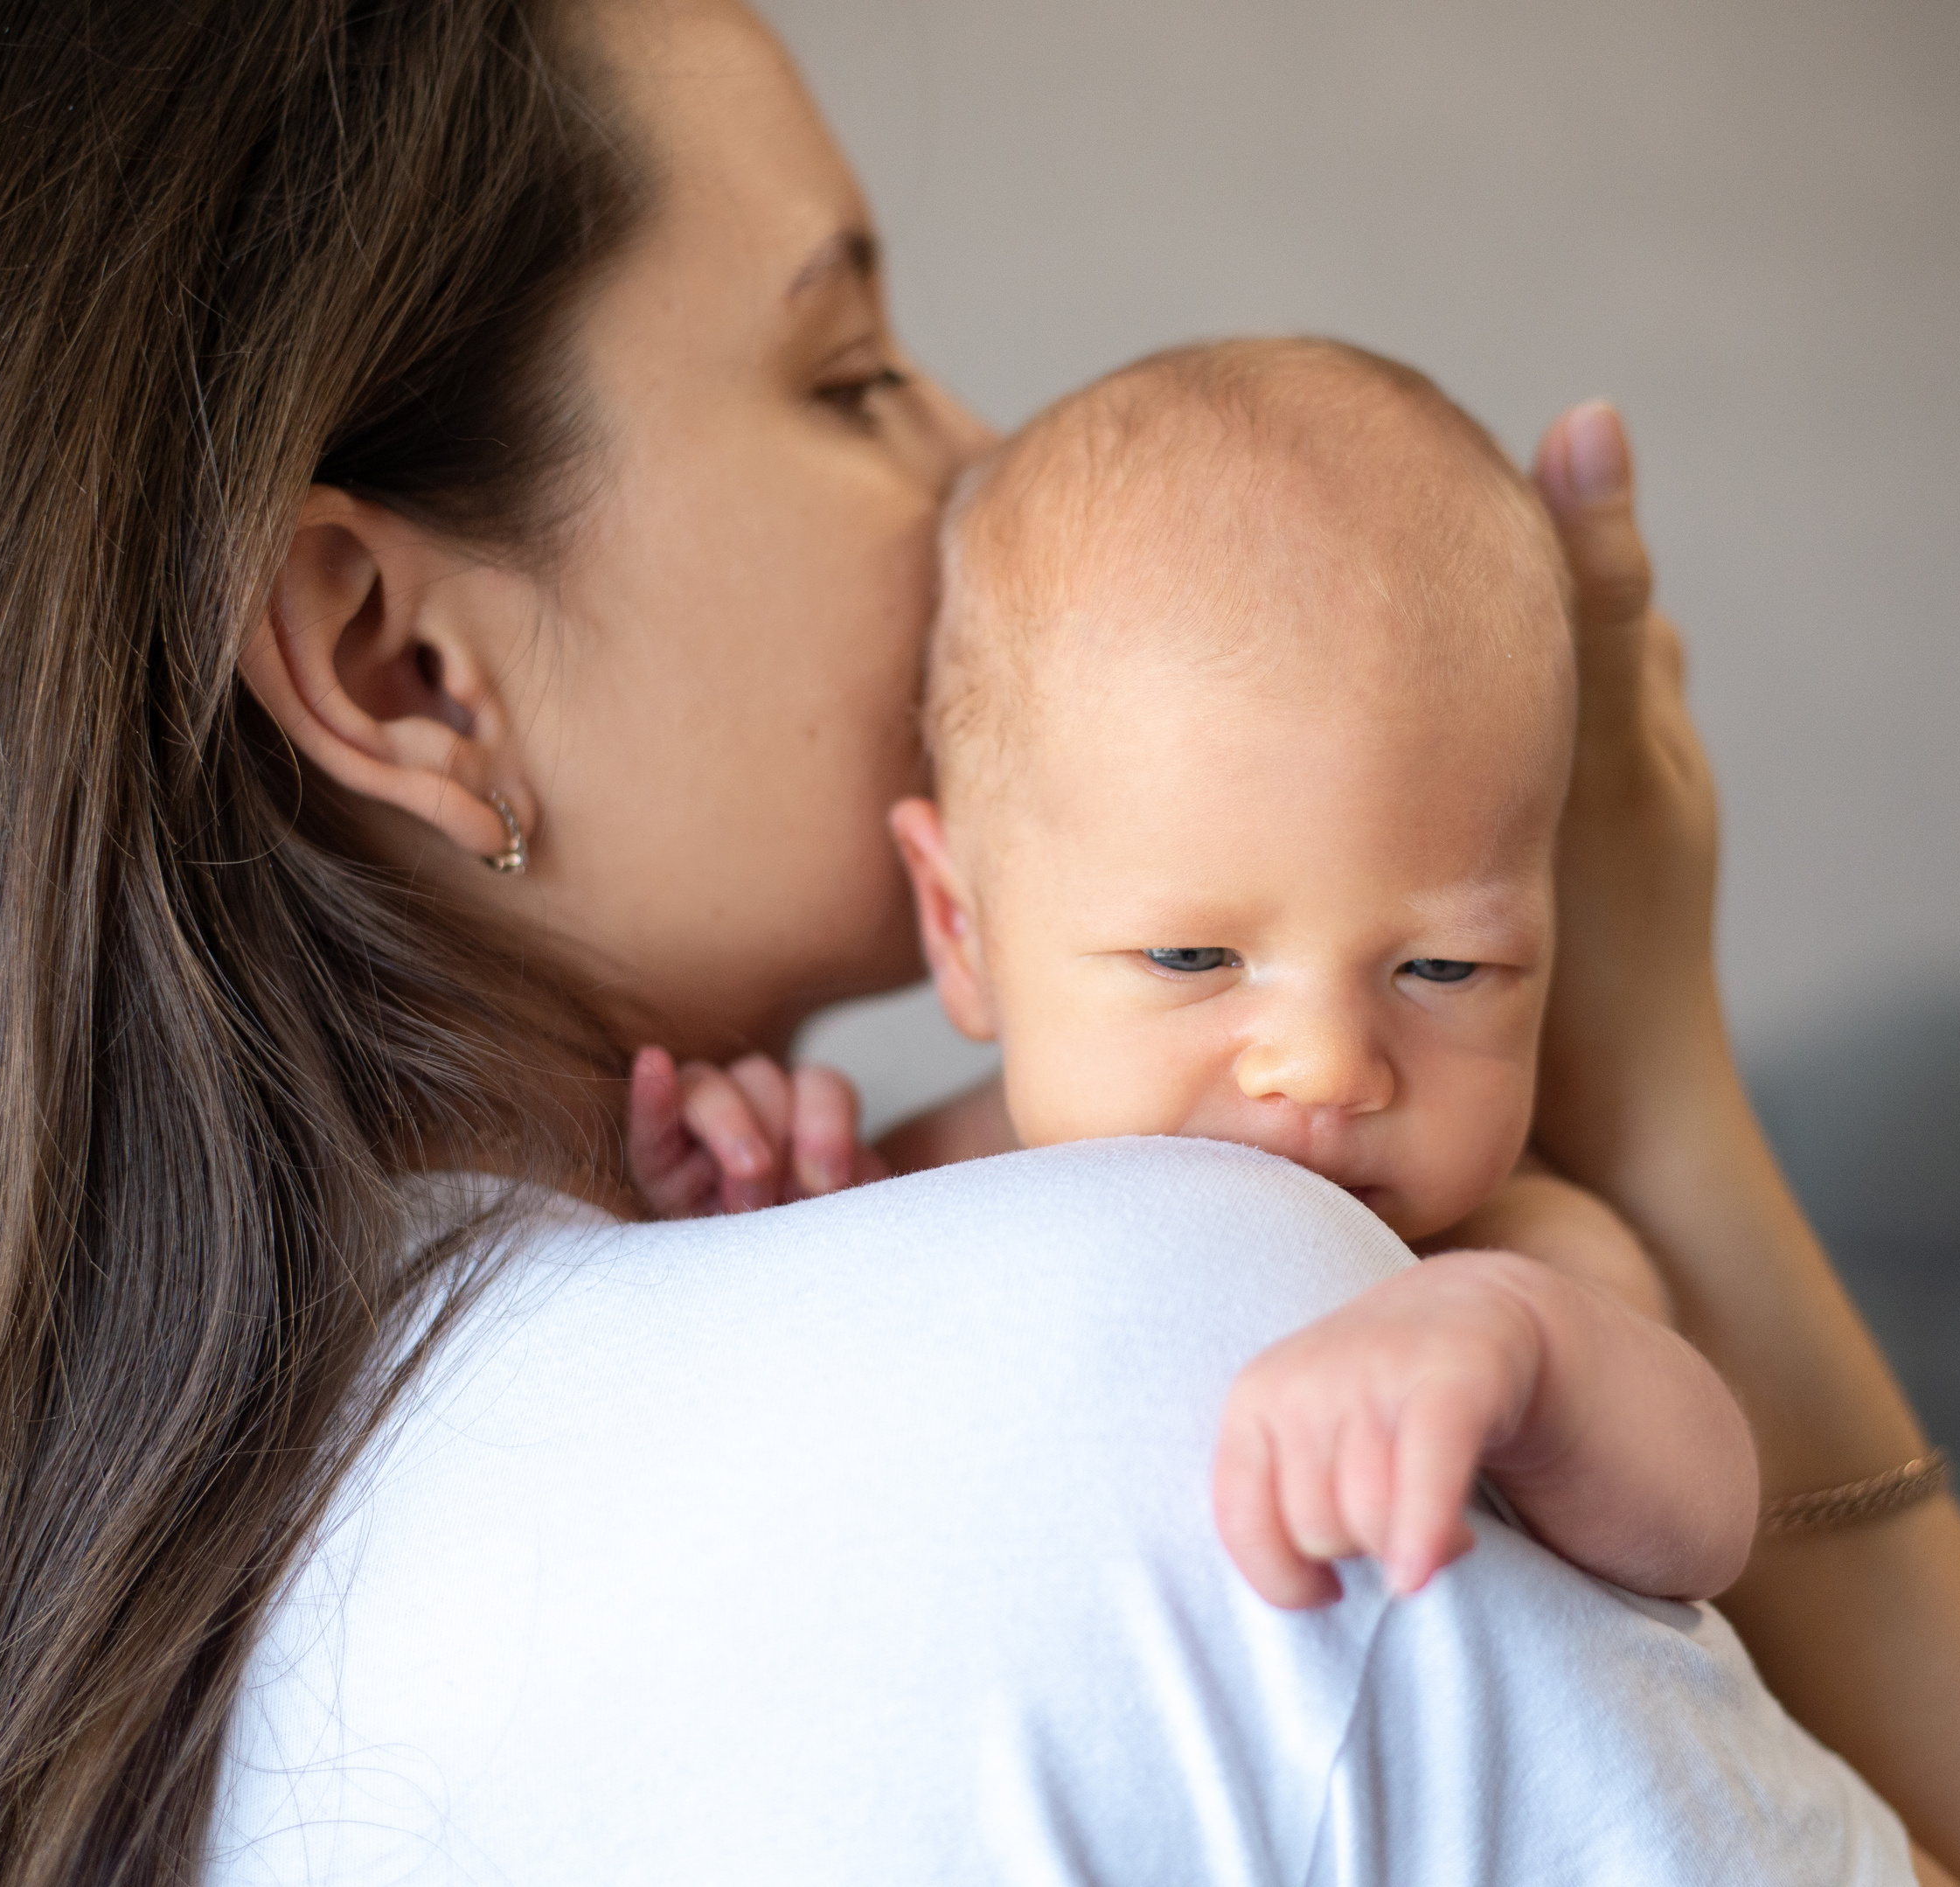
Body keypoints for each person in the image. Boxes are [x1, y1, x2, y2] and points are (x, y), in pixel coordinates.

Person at [0, 3, 1960, 1885]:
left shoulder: (145, 1573)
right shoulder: (1202, 1337)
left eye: (1443, 965)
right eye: (851, 372)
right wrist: (1661, 1099)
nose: (985, 457)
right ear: (401, 664)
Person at [639, 334, 1762, 1612]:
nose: (1327, 1063)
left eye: (1448, 965)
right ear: (962, 929)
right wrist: (746, 1213)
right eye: (1192, 957)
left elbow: (1705, 1519)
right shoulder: (906, 1186)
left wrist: (1522, 1352)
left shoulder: (1499, 1252)